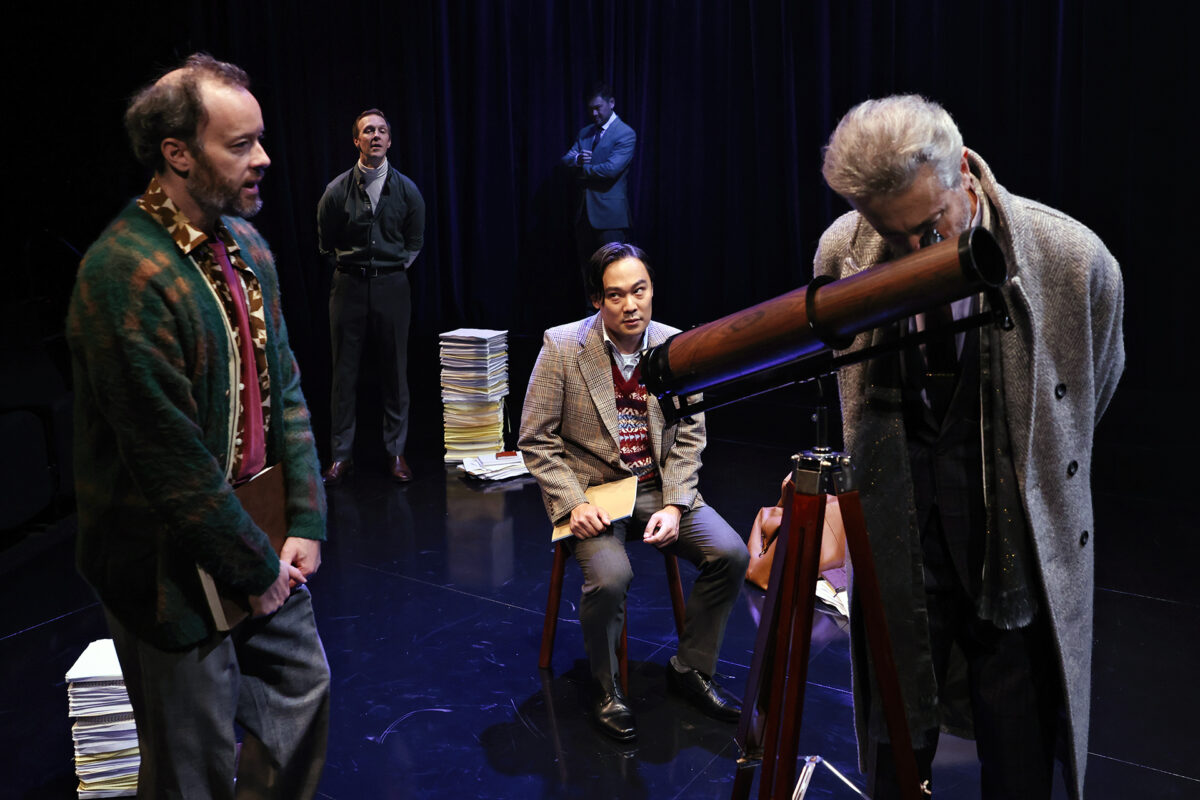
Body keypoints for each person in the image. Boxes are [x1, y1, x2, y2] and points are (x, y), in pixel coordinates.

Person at [813, 95, 1125, 799]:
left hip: (1013, 536)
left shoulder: (1072, 258)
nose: (914, 255)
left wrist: (1030, 468)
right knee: (896, 739)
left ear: (962, 173)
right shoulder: (843, 250)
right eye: (891, 236)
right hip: (901, 527)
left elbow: (1089, 394)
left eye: (930, 228)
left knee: (1019, 747)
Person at [67, 54, 331, 798]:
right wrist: (255, 569)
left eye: (259, 139)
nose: (263, 158)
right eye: (240, 144)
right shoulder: (124, 273)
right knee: (195, 762)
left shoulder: (249, 247)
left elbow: (286, 391)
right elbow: (169, 460)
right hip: (166, 565)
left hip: (258, 535)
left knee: (300, 693)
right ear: (177, 154)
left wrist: (304, 519)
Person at [519, 242, 749, 742]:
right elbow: (535, 439)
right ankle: (607, 688)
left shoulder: (677, 346)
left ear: (652, 291)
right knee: (610, 578)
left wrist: (675, 503)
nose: (630, 305)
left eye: (639, 291)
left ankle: (691, 668)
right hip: (593, 491)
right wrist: (573, 504)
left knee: (731, 553)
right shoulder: (563, 346)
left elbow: (690, 435)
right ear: (597, 300)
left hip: (658, 486)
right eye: (616, 295)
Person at [317, 108, 426, 485]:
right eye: (368, 131)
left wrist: (390, 269)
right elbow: (325, 244)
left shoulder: (407, 190)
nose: (375, 136)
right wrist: (353, 268)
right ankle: (341, 456)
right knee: (344, 373)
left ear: (389, 141)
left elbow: (415, 241)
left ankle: (396, 452)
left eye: (381, 131)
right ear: (356, 140)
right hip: (348, 286)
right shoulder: (336, 190)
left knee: (395, 371)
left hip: (392, 287)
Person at [562, 84, 637, 272]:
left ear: (611, 103)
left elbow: (611, 170)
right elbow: (566, 160)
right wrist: (577, 159)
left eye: (598, 108)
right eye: (590, 109)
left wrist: (582, 170)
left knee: (613, 272)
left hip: (610, 218)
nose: (594, 113)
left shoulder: (625, 133)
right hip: (583, 217)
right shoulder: (585, 133)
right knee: (588, 273)